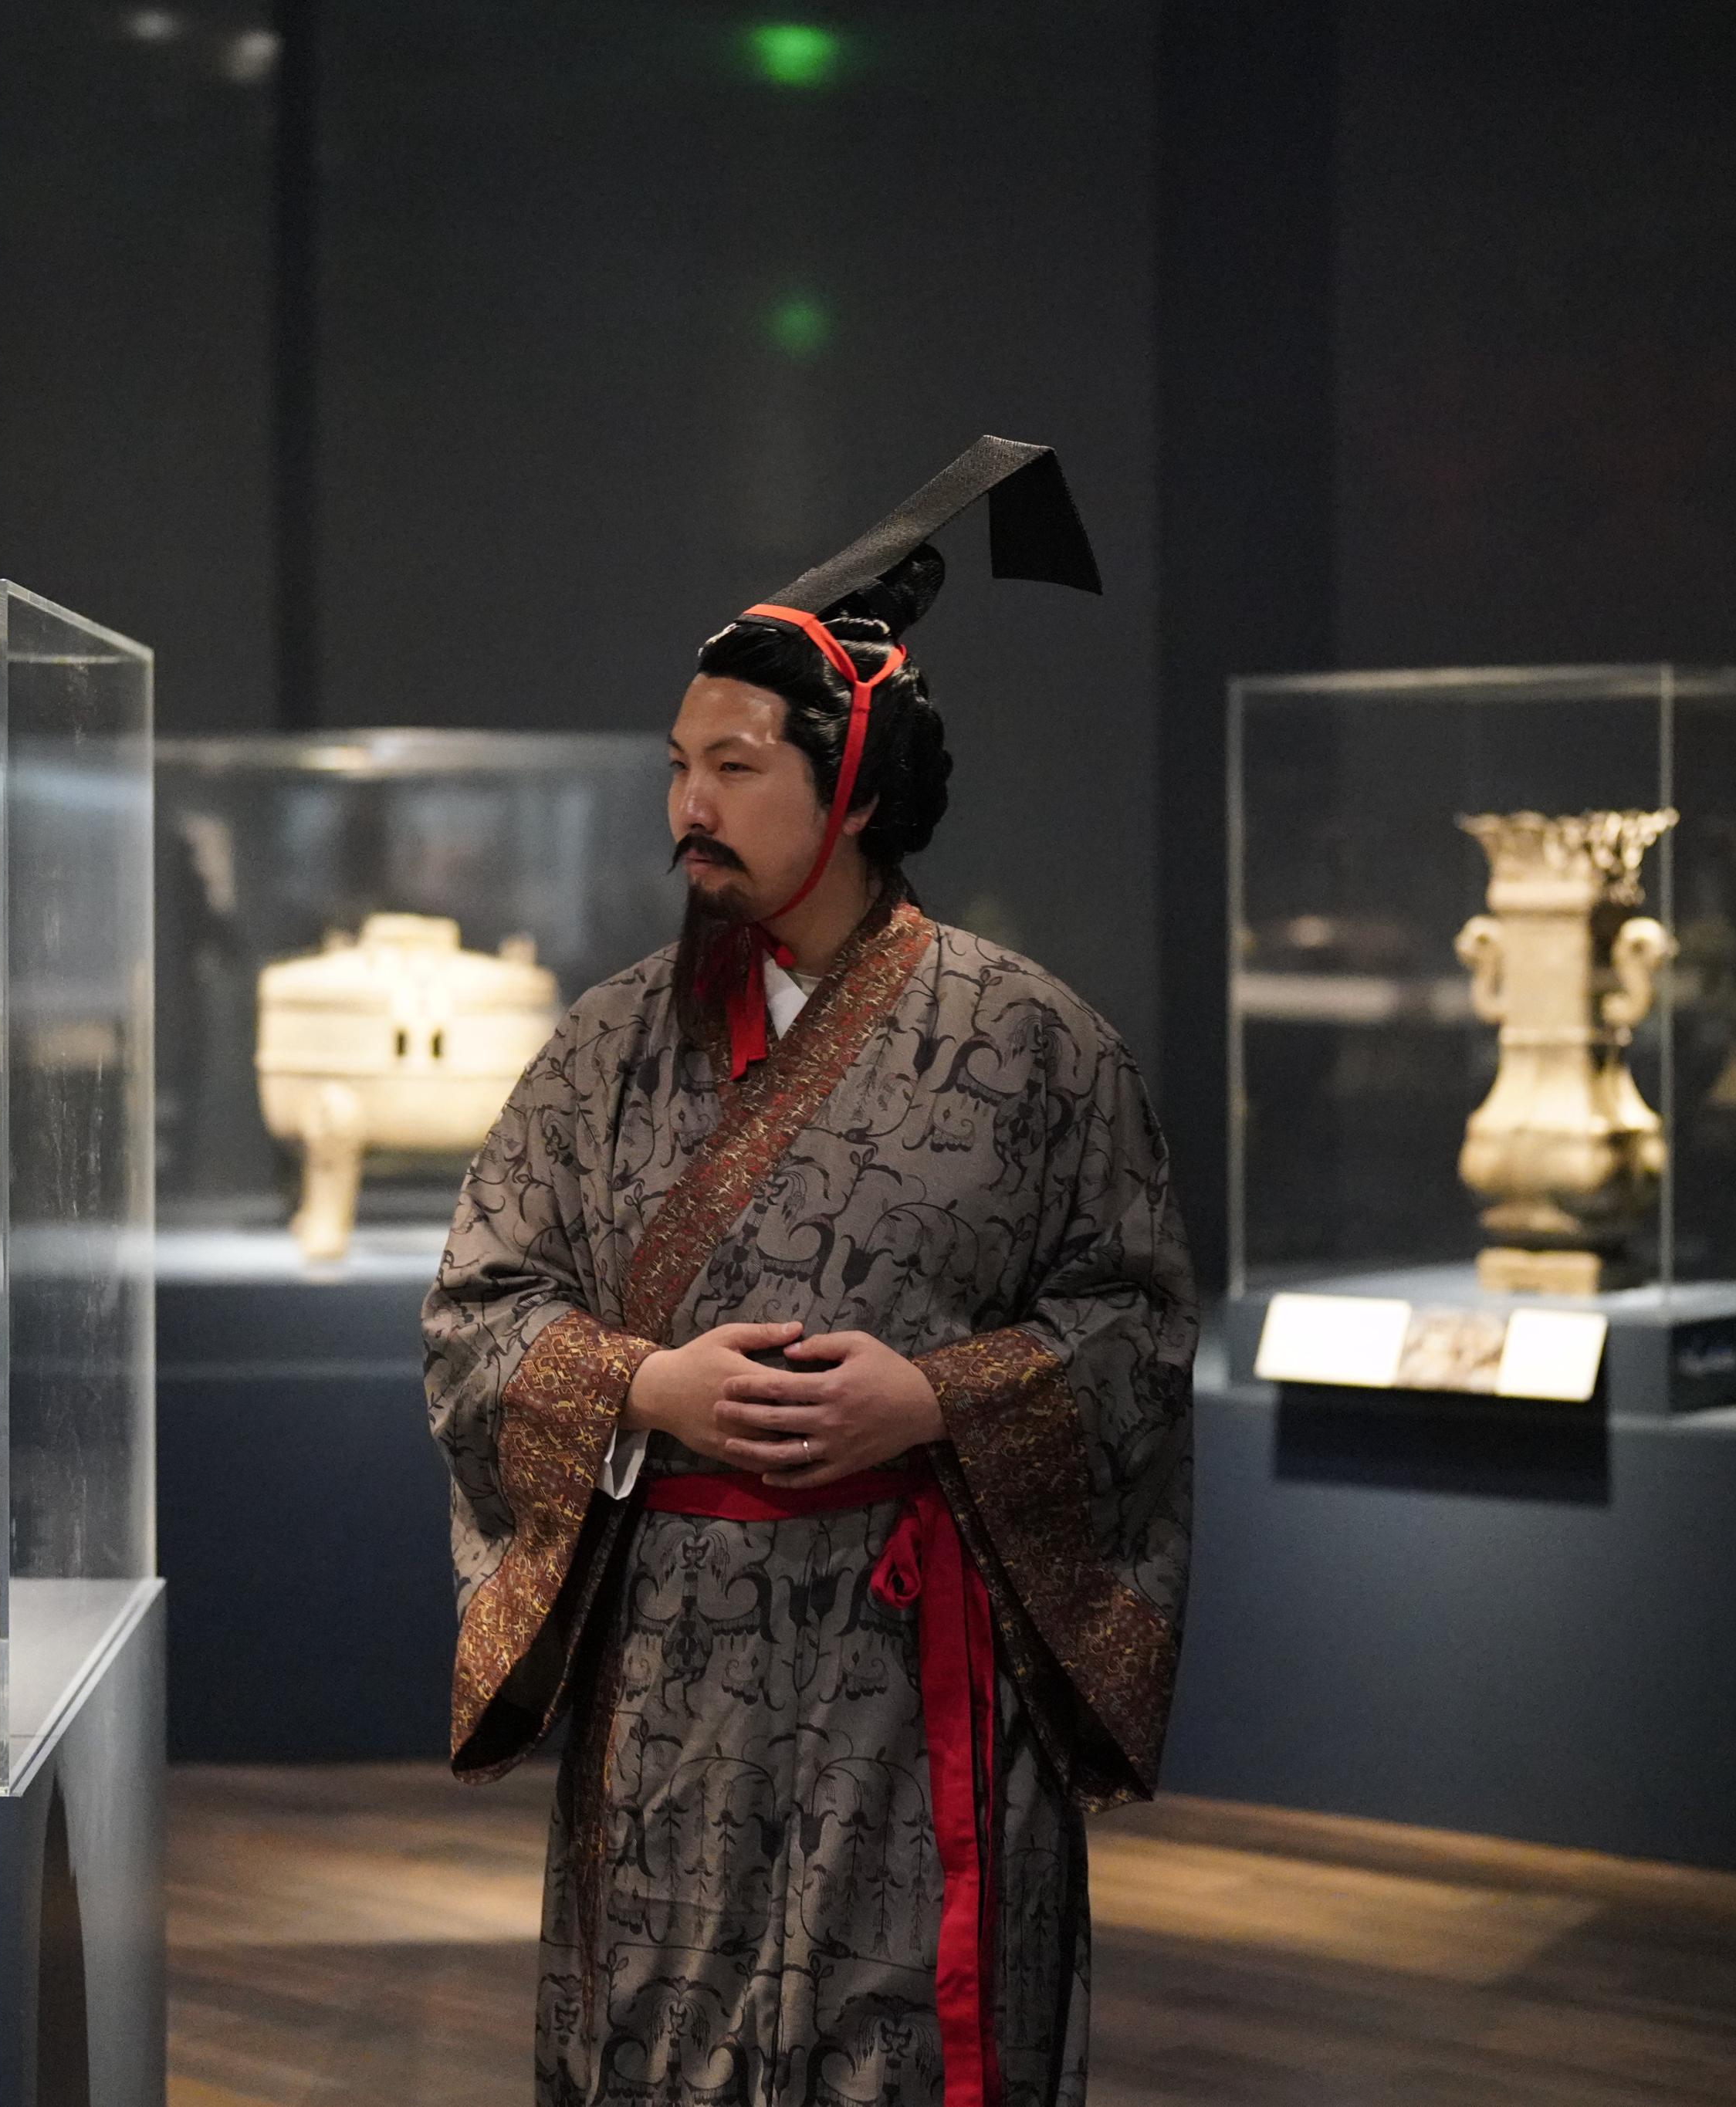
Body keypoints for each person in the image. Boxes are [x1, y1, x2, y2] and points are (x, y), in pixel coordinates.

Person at [423, 436, 1200, 2107]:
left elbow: (1134, 1329)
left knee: (907, 2039)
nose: (685, 808)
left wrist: (936, 1397)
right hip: (673, 1675)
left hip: (910, 1648)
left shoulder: (1032, 1043)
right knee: (665, 2032)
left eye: (733, 766)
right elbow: (475, 1317)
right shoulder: (605, 1047)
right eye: (675, 766)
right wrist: (641, 1383)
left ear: (848, 783)